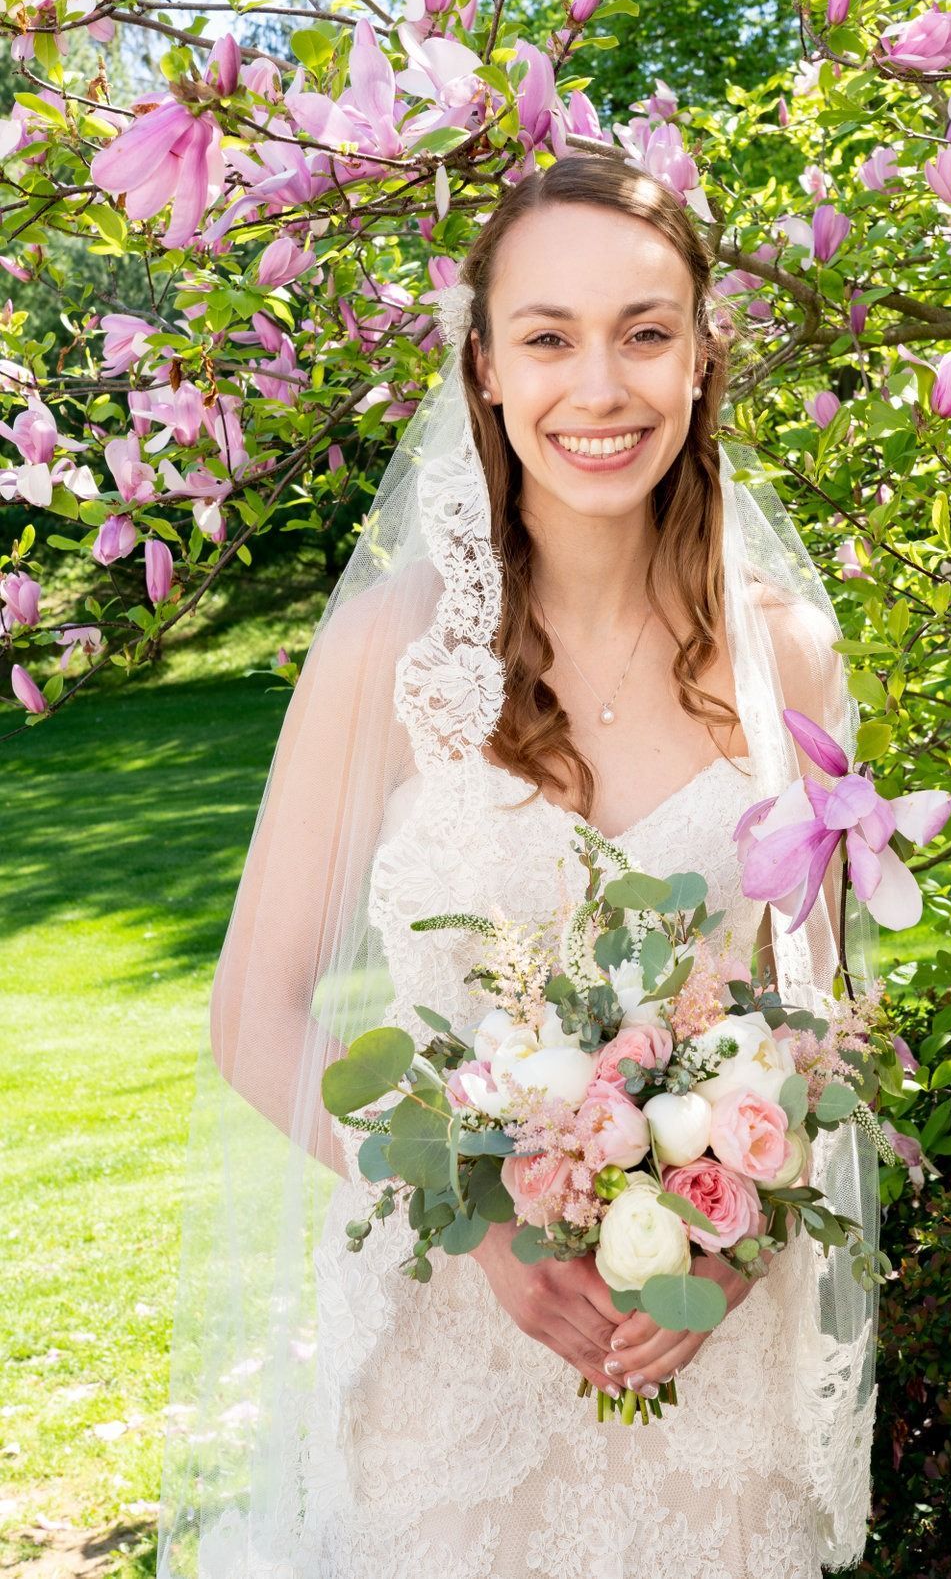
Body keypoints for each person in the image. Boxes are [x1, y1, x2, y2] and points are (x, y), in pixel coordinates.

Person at [157, 153, 880, 1579]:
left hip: (704, 1362)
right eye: (547, 336)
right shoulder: (391, 657)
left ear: (700, 358)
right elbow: (254, 1015)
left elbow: (824, 1021)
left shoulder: (787, 651)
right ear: (484, 368)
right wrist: (474, 1226)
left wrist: (728, 1244)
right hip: (450, 1361)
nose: (597, 387)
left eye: (644, 331)